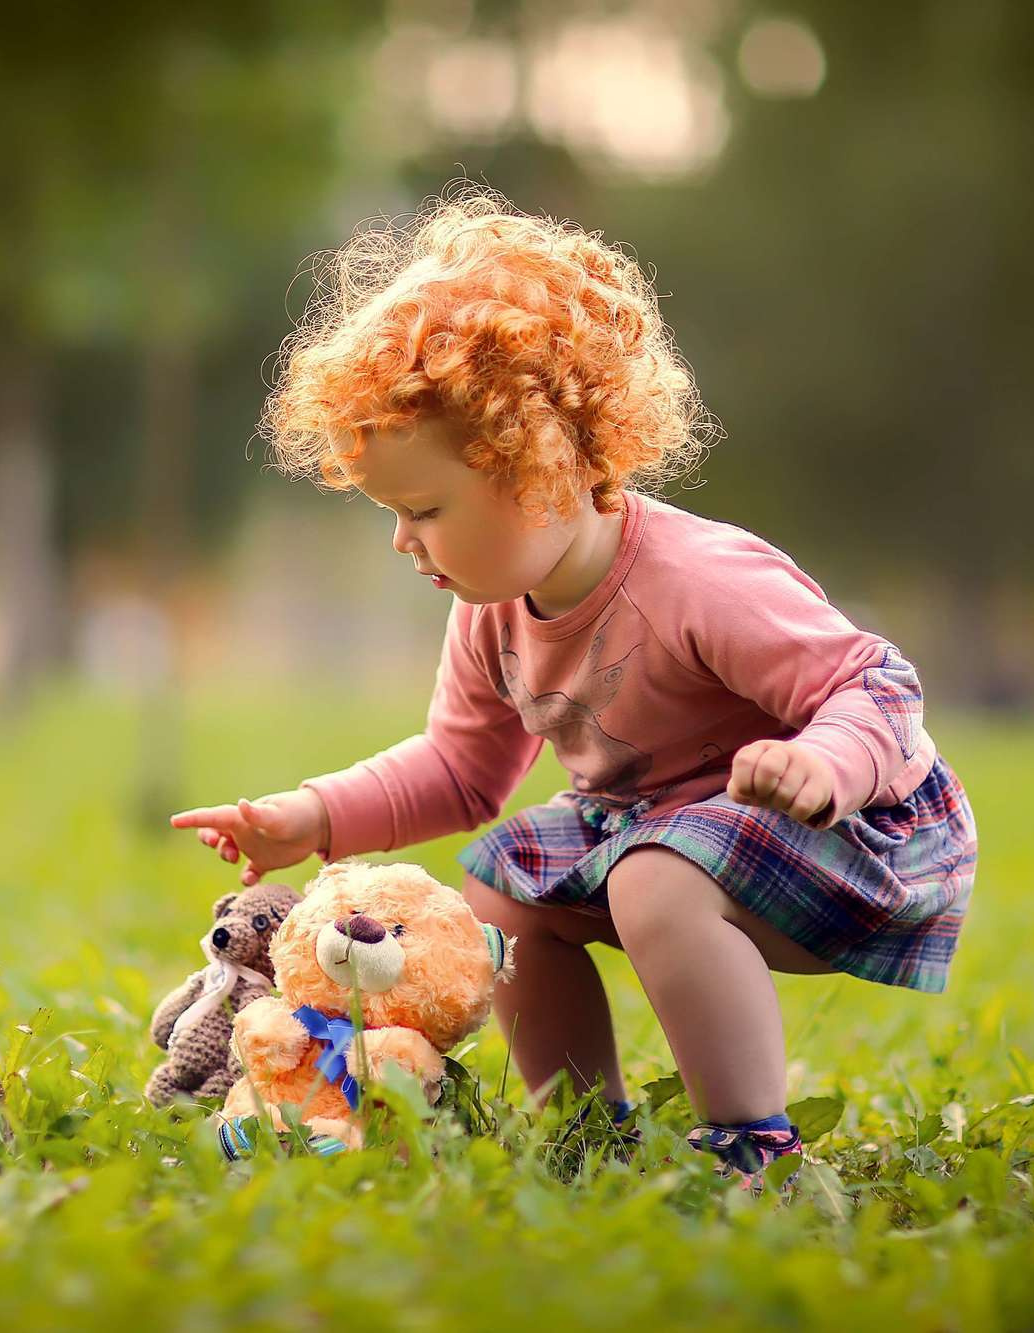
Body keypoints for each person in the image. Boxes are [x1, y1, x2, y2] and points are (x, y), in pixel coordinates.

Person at [169, 185, 978, 1186]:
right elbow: (461, 770)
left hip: (853, 825)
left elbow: (878, 686)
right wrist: (309, 816)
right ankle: (584, 1129)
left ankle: (750, 1140)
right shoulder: (489, 610)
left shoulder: (697, 581)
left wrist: (820, 763)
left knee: (651, 872)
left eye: (422, 507)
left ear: (538, 465)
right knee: (497, 881)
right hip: (659, 826)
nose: (400, 539)